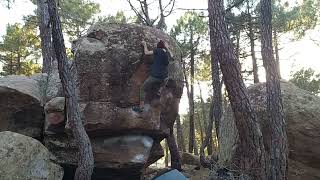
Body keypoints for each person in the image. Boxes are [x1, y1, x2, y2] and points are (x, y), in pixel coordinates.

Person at [133, 40, 171, 113]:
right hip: (163, 78)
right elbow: (170, 60)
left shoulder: (157, 50)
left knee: (143, 89)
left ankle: (141, 108)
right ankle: (160, 90)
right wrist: (167, 49)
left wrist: (144, 44)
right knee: (167, 78)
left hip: (155, 76)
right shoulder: (166, 54)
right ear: (164, 46)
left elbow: (146, 53)